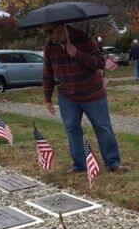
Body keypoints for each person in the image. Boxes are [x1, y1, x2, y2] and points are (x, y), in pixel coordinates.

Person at [42, 22, 127, 173]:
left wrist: (77, 54)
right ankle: (80, 165)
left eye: (51, 31)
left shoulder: (83, 38)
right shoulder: (50, 45)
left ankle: (113, 163)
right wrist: (47, 98)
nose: (49, 36)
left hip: (92, 93)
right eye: (47, 32)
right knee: (72, 129)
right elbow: (47, 72)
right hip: (67, 95)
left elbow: (100, 62)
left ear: (62, 29)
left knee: (103, 127)